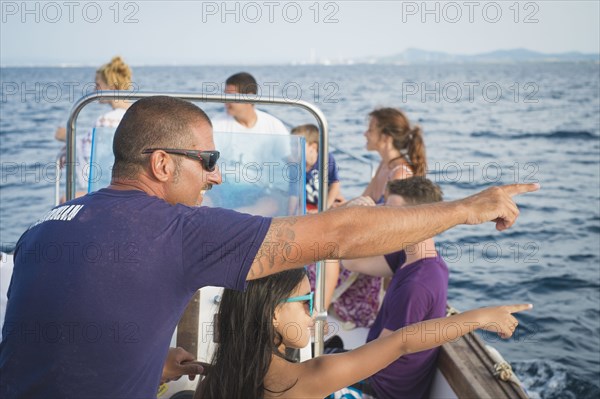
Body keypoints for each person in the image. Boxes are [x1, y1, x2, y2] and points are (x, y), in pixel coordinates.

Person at [0, 96, 538, 398]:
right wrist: (470, 208)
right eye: (208, 161)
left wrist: (145, 361)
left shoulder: (42, 228)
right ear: (162, 164)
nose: (215, 178)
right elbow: (335, 235)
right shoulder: (175, 228)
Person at [196, 268, 532, 399]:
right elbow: (401, 342)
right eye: (306, 303)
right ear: (272, 314)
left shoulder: (217, 380)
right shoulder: (309, 378)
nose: (315, 315)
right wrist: (481, 316)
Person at [343, 177, 447, 398]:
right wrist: (350, 217)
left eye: (392, 213)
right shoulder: (411, 256)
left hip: (381, 389)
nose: (383, 219)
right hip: (372, 369)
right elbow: (350, 262)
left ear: (420, 220)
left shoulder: (417, 285)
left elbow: (377, 356)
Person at [332, 107, 427, 328]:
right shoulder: (385, 165)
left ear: (385, 137)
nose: (365, 133)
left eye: (370, 129)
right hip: (370, 235)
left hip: (386, 247)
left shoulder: (400, 173)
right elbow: (366, 199)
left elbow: (393, 225)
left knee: (325, 252)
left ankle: (324, 307)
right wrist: (332, 210)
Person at [208, 72, 291, 215]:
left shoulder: (273, 125)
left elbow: (289, 162)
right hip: (221, 187)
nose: (225, 101)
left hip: (258, 190)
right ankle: (232, 220)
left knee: (271, 206)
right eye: (224, 96)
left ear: (250, 96)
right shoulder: (215, 125)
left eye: (230, 96)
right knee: (203, 203)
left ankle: (228, 220)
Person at [55, 56, 133, 198]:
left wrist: (67, 139)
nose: (94, 89)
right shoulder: (134, 114)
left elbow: (90, 153)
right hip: (129, 186)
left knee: (64, 200)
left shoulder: (106, 121)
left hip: (108, 189)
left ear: (112, 87)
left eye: (98, 85)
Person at [291, 123, 341, 310]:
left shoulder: (327, 160)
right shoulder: (294, 166)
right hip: (304, 209)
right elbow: (293, 197)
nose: (294, 151)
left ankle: (321, 307)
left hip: (323, 207)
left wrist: (324, 208)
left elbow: (335, 185)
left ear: (313, 147)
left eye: (298, 146)